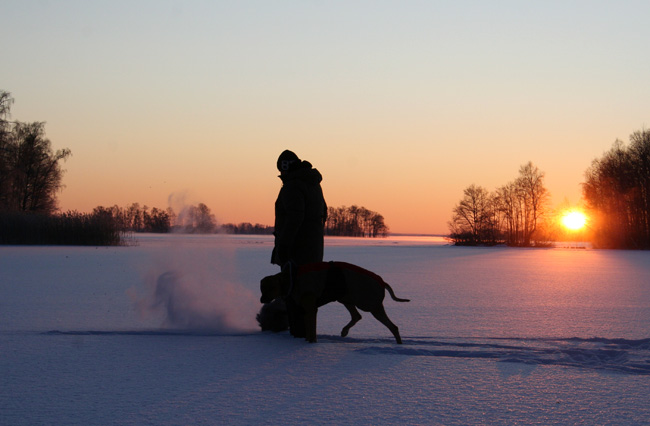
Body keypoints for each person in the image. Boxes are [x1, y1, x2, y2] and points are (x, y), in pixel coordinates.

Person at [271, 150, 327, 337]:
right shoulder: (313, 185)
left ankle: (297, 332)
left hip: (296, 250)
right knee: (307, 290)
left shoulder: (292, 186)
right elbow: (324, 213)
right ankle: (305, 330)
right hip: (313, 249)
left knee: (293, 290)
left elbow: (294, 218)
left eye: (282, 172)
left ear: (286, 168)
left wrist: (285, 246)